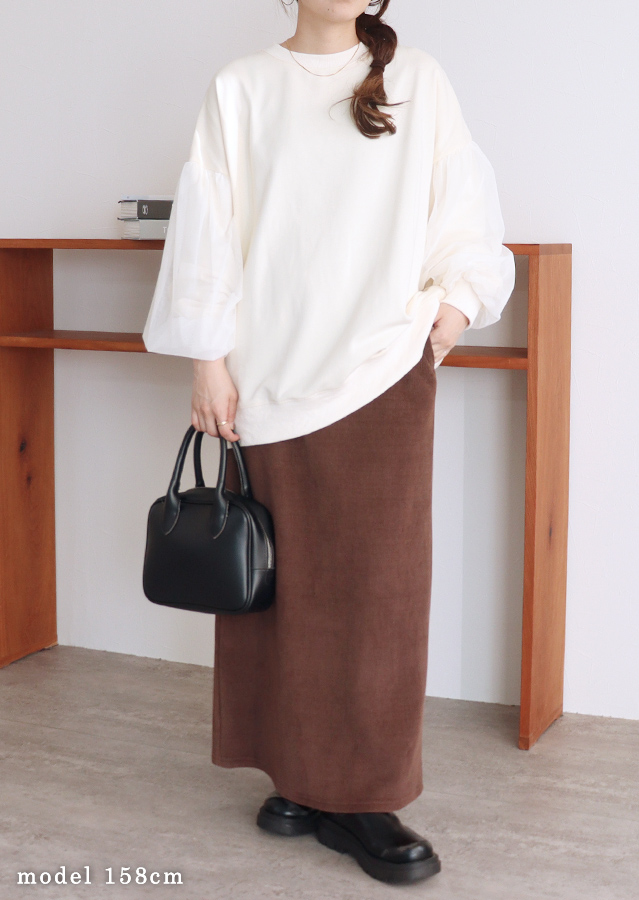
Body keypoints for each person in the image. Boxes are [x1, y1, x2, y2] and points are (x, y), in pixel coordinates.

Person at [142, 0, 515, 885]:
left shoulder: (416, 77)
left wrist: (457, 306)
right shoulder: (242, 86)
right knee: (278, 592)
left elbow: (462, 204)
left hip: (381, 371)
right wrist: (207, 362)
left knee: (379, 596)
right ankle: (299, 781)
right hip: (267, 378)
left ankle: (362, 797)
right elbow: (210, 229)